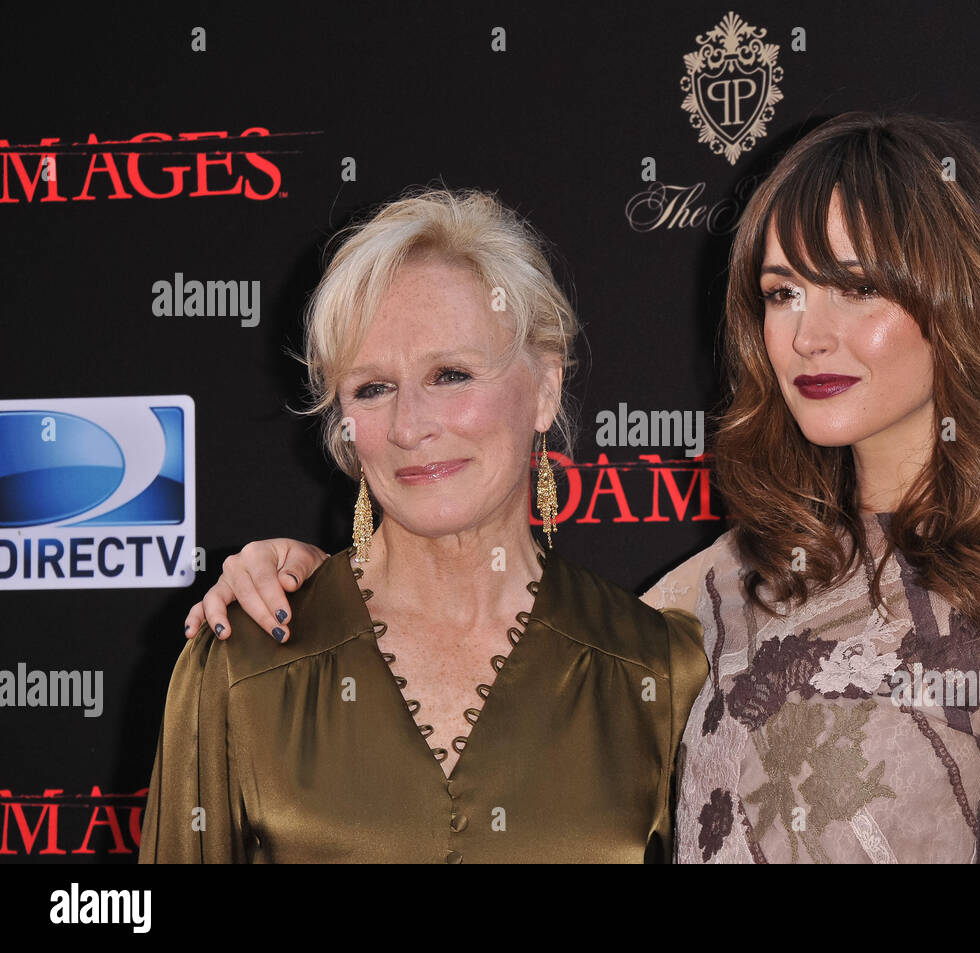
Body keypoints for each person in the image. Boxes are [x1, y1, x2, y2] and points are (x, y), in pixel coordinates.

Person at [183, 112, 980, 864]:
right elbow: (515, 652)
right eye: (781, 292)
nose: (809, 333)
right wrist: (318, 585)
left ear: (960, 298)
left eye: (856, 288)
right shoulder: (728, 584)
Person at [140, 188, 708, 864]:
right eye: (373, 388)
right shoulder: (242, 659)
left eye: (451, 374)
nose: (411, 426)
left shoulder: (660, 673)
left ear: (546, 388)